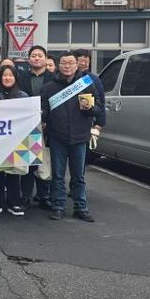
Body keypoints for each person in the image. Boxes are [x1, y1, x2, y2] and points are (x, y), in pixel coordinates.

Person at [41, 51, 102, 222]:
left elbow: (99, 107)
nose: (67, 66)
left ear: (77, 65)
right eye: (63, 63)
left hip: (80, 136)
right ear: (58, 65)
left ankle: (81, 207)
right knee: (58, 175)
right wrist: (41, 114)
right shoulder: (49, 87)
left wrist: (91, 109)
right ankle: (58, 206)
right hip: (57, 136)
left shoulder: (87, 84)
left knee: (78, 176)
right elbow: (44, 110)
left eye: (70, 63)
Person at [18, 45, 55, 211]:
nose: (37, 58)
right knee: (28, 161)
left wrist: (46, 119)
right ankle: (26, 196)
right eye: (34, 55)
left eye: (40, 55)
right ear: (29, 59)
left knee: (45, 161)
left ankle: (44, 196)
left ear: (46, 59)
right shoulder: (21, 78)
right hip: (27, 126)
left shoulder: (54, 78)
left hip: (48, 126)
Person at [0, 65, 29, 217]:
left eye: (11, 75)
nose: (7, 78)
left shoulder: (23, 96)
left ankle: (14, 202)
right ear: (0, 77)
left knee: (14, 172)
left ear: (15, 78)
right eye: (4, 75)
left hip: (15, 139)